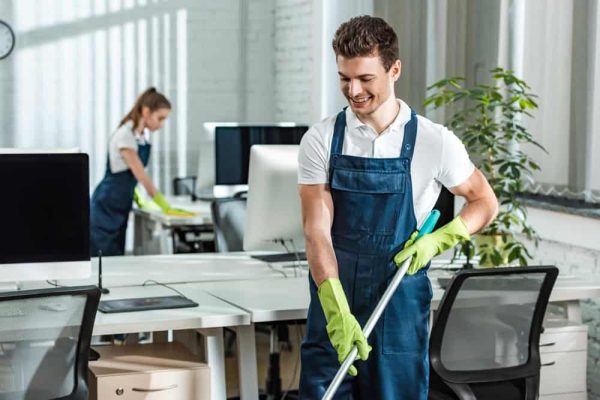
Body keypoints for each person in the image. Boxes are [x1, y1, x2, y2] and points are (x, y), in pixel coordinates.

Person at [297, 16, 499, 399]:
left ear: (394, 70)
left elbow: (484, 202)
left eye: (365, 79)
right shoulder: (321, 140)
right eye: (344, 77)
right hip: (334, 296)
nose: (353, 90)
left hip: (399, 299)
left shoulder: (433, 141)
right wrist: (336, 309)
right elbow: (316, 231)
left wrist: (439, 241)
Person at [90, 87, 193, 257]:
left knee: (115, 257)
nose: (161, 124)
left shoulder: (139, 137)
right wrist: (164, 205)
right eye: (160, 118)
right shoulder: (125, 136)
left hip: (120, 204)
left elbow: (128, 173)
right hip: (106, 206)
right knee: (103, 258)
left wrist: (135, 193)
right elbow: (141, 175)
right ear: (146, 112)